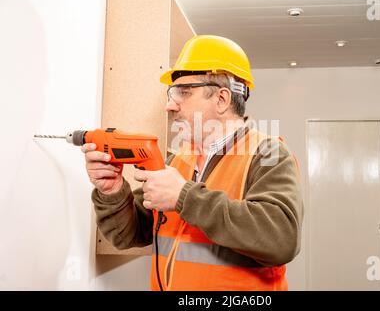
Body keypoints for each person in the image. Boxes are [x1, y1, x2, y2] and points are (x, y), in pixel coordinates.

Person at [82, 35, 303, 291]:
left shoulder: (268, 154)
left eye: (182, 93)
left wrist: (184, 197)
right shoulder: (179, 157)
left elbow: (281, 239)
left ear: (222, 99)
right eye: (171, 93)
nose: (168, 106)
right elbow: (129, 234)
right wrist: (112, 192)